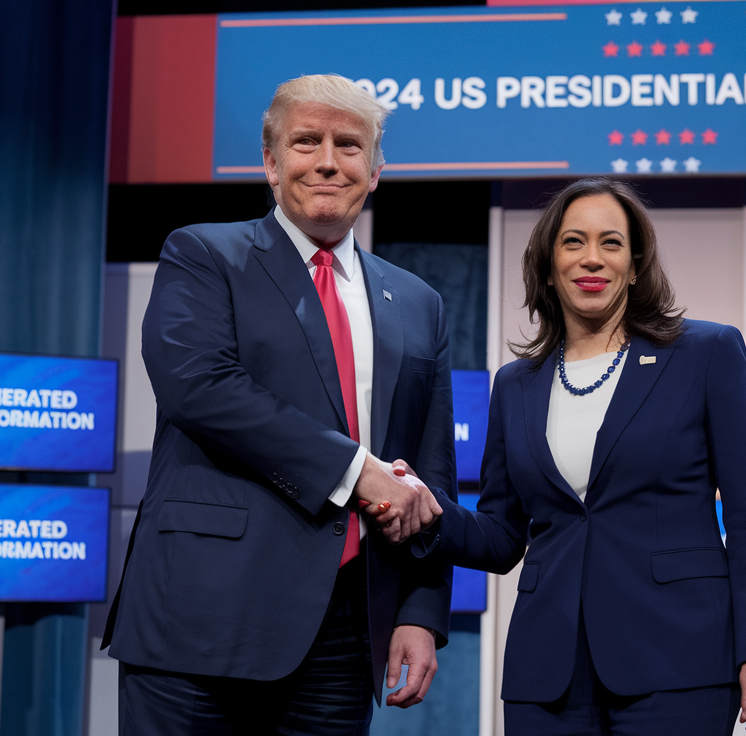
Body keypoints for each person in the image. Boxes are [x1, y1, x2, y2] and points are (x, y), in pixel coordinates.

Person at [101, 74, 454, 735]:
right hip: (200, 621)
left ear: (375, 170)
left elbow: (429, 472)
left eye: (349, 145)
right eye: (306, 141)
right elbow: (199, 388)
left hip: (345, 633)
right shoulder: (203, 253)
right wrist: (357, 471)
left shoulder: (417, 302)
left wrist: (420, 612)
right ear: (270, 162)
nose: (327, 160)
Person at [419, 178, 746, 735]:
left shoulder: (705, 353)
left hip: (677, 660)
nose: (592, 258)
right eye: (573, 242)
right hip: (547, 674)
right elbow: (501, 536)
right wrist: (423, 509)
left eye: (611, 243)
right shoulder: (515, 384)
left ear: (636, 265)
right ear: (547, 266)